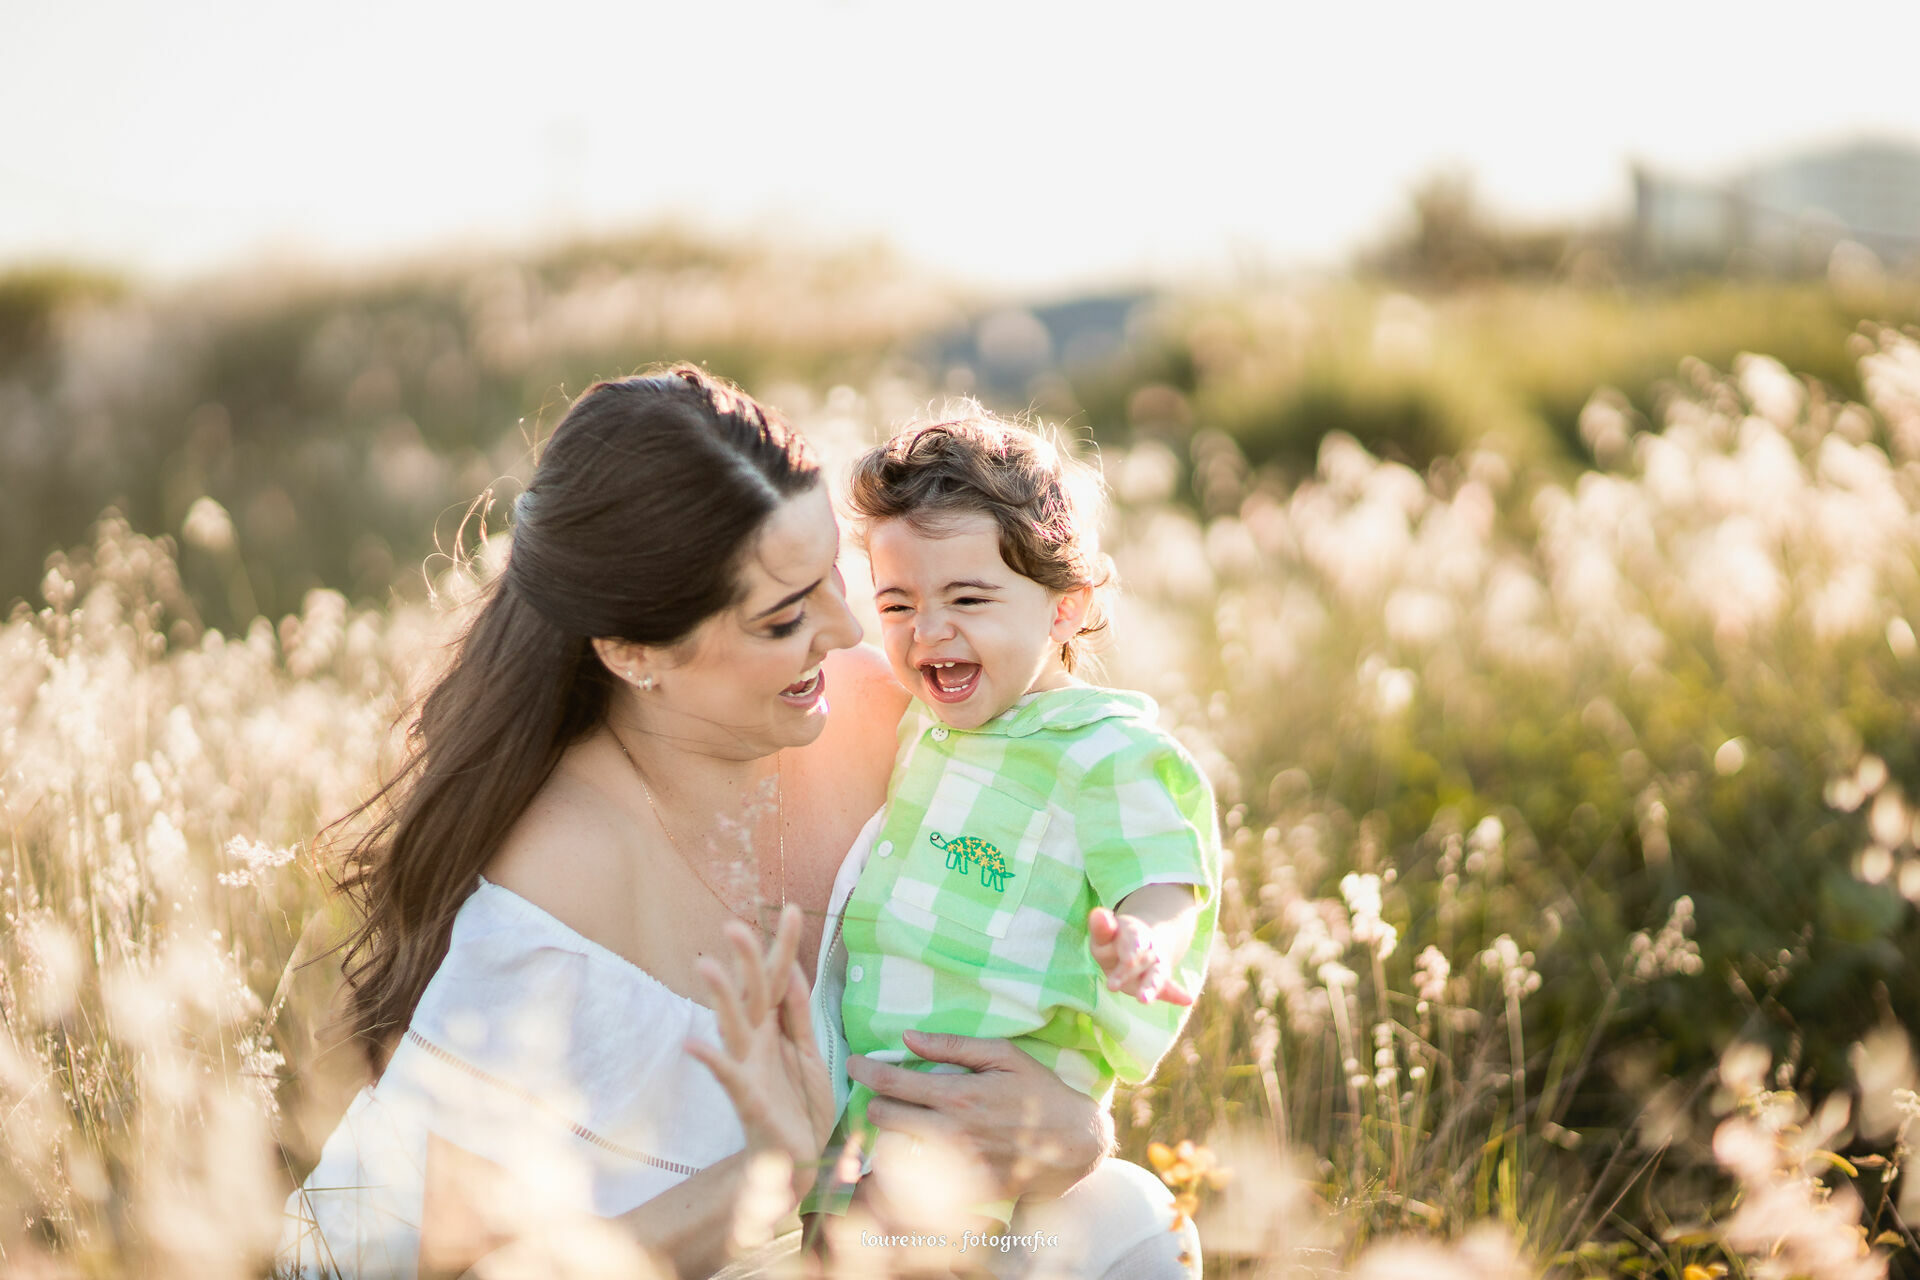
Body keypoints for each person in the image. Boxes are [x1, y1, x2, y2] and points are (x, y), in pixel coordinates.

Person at [277, 367, 1198, 1279]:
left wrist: (1072, 1125)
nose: (848, 633)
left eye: (839, 576)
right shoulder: (564, 869)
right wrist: (770, 1175)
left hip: (818, 1247)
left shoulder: (890, 722)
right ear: (636, 652)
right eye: (783, 618)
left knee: (1124, 1221)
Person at [801, 414, 1219, 1235]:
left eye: (968, 598)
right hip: (878, 1107)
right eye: (898, 602)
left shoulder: (1103, 752)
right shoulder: (926, 724)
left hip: (984, 1110)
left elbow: (1165, 876)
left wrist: (1144, 942)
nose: (929, 631)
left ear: (1066, 610)